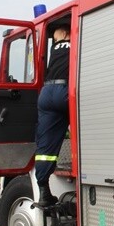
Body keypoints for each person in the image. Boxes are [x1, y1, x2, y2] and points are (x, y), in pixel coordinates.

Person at [34, 24, 70, 206]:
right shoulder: (77, 44)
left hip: (47, 92)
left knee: (45, 146)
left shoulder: (55, 48)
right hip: (65, 90)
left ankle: (43, 191)